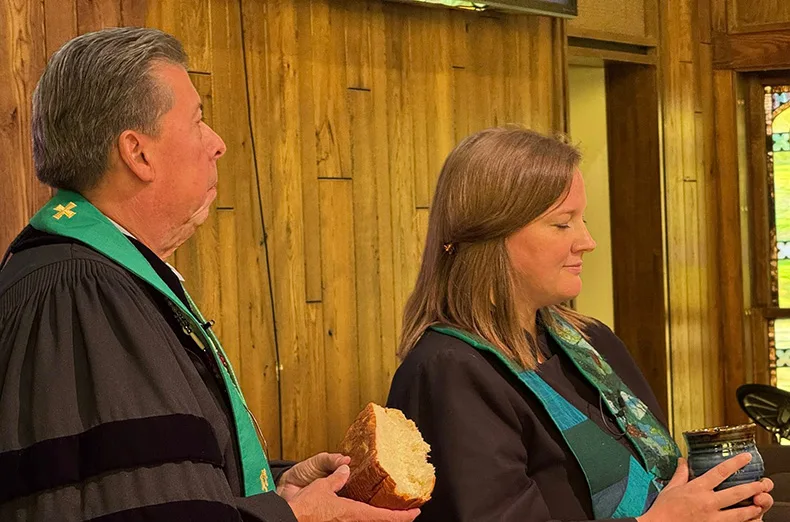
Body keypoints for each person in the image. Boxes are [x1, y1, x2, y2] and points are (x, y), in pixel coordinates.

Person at [0, 27, 418, 522]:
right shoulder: (79, 295)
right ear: (138, 153)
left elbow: (158, 482)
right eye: (197, 120)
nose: (218, 143)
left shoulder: (102, 277)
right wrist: (295, 519)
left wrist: (272, 493)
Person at [386, 127, 775, 522]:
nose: (587, 241)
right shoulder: (449, 372)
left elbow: (657, 477)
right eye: (562, 224)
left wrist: (720, 505)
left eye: (582, 219)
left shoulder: (589, 339)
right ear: (491, 234)